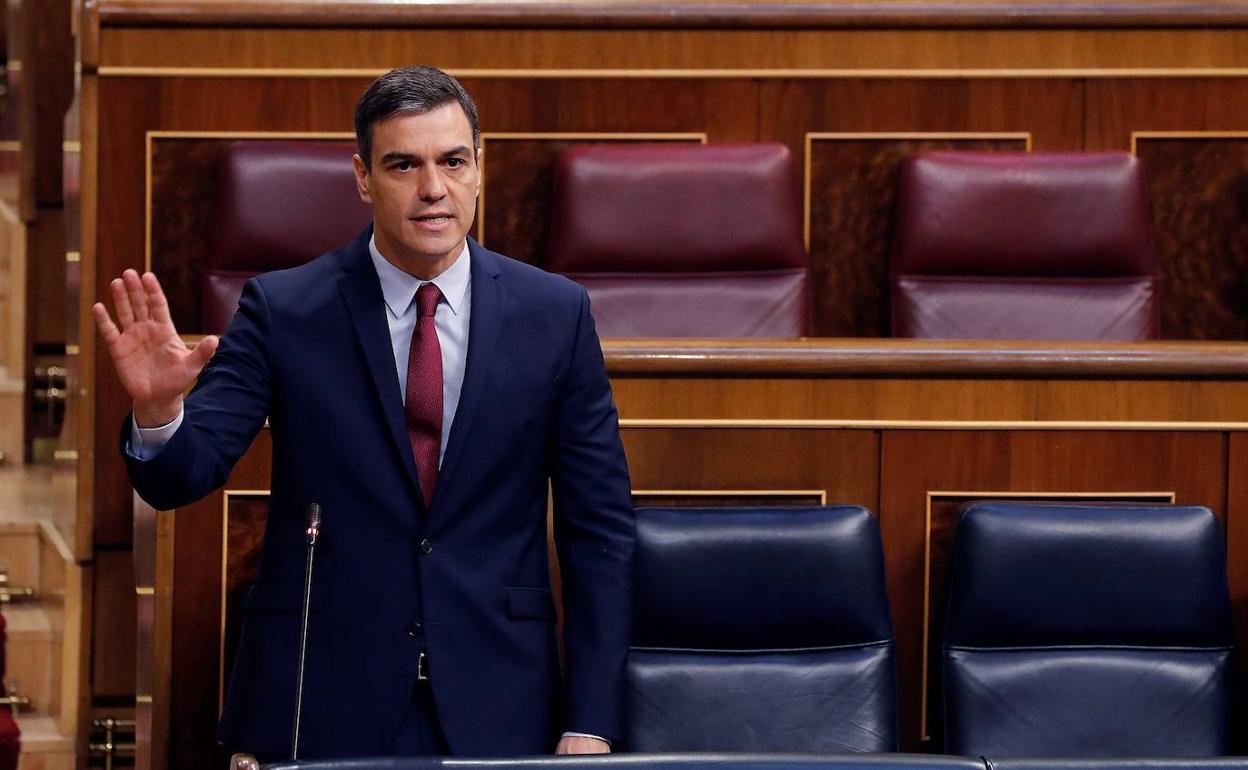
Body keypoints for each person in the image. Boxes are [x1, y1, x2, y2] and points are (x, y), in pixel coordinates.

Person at [92, 66, 635, 761]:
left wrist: (590, 720)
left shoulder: (556, 315)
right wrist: (160, 408)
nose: (432, 188)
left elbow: (600, 531)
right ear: (363, 177)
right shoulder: (284, 310)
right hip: (316, 696)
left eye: (452, 161)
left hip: (499, 697)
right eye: (403, 164)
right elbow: (181, 477)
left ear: (479, 167)